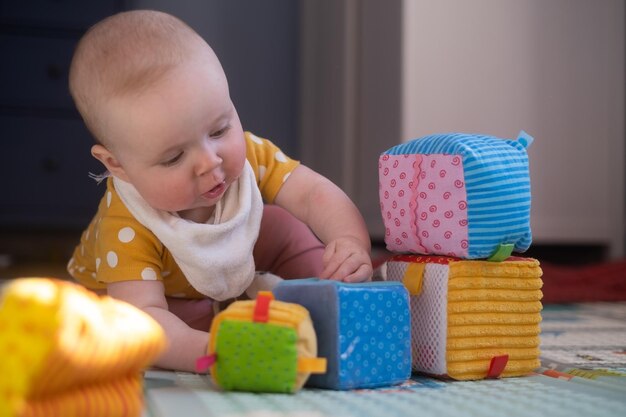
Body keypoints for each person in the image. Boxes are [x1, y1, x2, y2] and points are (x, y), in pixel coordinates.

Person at [66, 9, 373, 372]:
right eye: (174, 157)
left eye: (218, 130)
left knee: (281, 223)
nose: (211, 162)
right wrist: (217, 349)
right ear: (117, 165)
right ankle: (223, 322)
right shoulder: (126, 223)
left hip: (214, 278)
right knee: (172, 328)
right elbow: (143, 322)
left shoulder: (247, 155)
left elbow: (312, 194)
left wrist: (350, 241)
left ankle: (331, 289)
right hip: (150, 302)